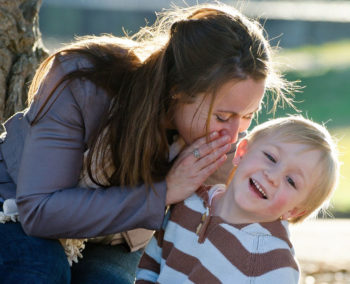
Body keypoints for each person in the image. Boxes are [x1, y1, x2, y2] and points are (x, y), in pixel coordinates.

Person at [0, 2, 294, 284]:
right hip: (14, 208)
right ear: (178, 90)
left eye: (247, 116)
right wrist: (164, 192)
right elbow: (38, 211)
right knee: (39, 270)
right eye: (222, 116)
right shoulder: (83, 82)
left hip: (117, 238)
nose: (233, 135)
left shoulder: (222, 142)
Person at [136, 116, 339, 284]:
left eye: (291, 181)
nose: (273, 176)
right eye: (271, 157)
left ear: (293, 211)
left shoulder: (273, 264)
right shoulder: (191, 201)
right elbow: (151, 264)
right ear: (242, 152)